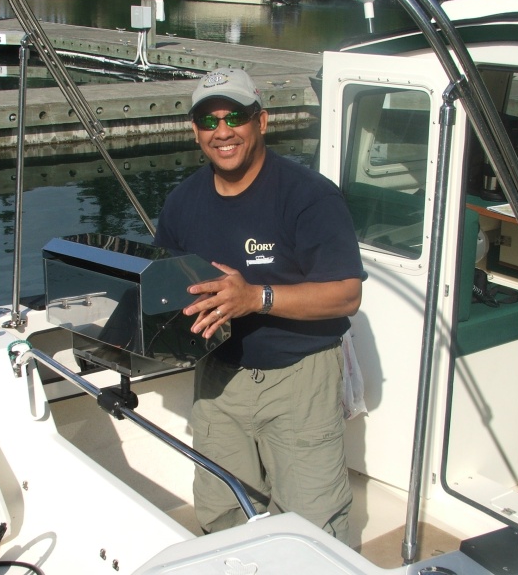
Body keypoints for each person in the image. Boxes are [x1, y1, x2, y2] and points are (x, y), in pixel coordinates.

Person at [154, 68, 363, 544]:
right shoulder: (181, 202)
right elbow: (166, 285)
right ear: (195, 131)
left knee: (312, 526)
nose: (222, 131)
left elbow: (347, 294)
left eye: (235, 118)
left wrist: (256, 298)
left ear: (261, 121)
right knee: (222, 512)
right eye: (209, 121)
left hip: (299, 378)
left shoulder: (310, 196)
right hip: (215, 378)